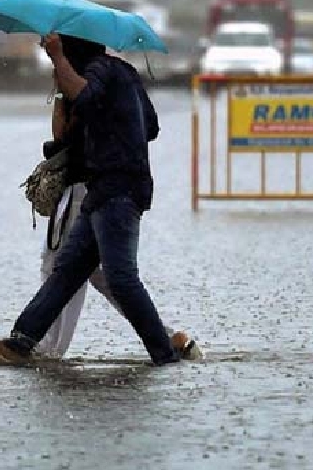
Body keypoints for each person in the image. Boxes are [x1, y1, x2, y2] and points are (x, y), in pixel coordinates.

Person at [0, 33, 189, 366]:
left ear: (73, 48)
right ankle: (20, 343)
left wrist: (57, 58)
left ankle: (165, 353)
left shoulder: (102, 70)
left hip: (119, 189)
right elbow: (148, 126)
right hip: (103, 189)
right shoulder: (120, 75)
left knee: (120, 278)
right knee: (68, 269)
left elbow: (88, 96)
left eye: (62, 49)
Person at [34, 72, 200, 361]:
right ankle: (166, 337)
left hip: (88, 189)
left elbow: (62, 135)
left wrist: (61, 92)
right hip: (100, 188)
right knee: (100, 274)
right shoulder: (111, 82)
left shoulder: (87, 83)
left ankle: (48, 347)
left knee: (63, 266)